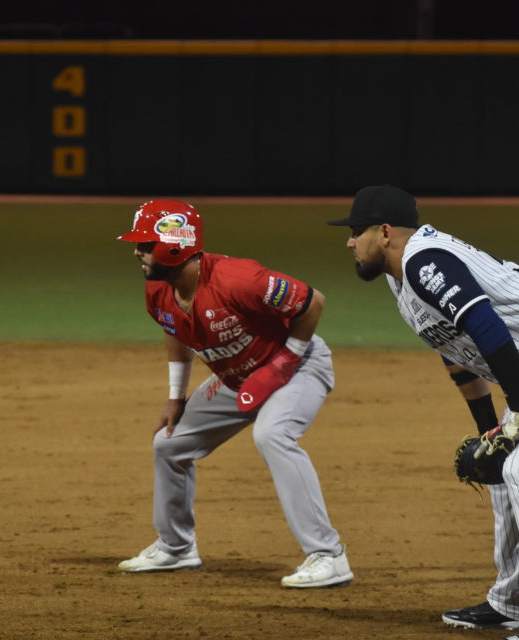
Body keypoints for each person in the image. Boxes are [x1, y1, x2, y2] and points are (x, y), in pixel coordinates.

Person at [326, 185, 519, 640]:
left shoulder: (425, 262)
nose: (349, 242)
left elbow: (488, 327)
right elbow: (456, 349)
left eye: (355, 232)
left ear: (385, 232)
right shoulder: (400, 277)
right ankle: (513, 600)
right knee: (502, 465)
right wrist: (491, 426)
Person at [116, 199, 353, 589]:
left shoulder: (239, 279)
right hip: (236, 379)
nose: (137, 251)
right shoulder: (159, 291)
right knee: (169, 444)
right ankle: (177, 548)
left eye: (144, 244)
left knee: (273, 434)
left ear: (173, 246)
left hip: (299, 367)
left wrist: (282, 364)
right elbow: (173, 328)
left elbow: (313, 302)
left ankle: (329, 555)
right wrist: (177, 394)